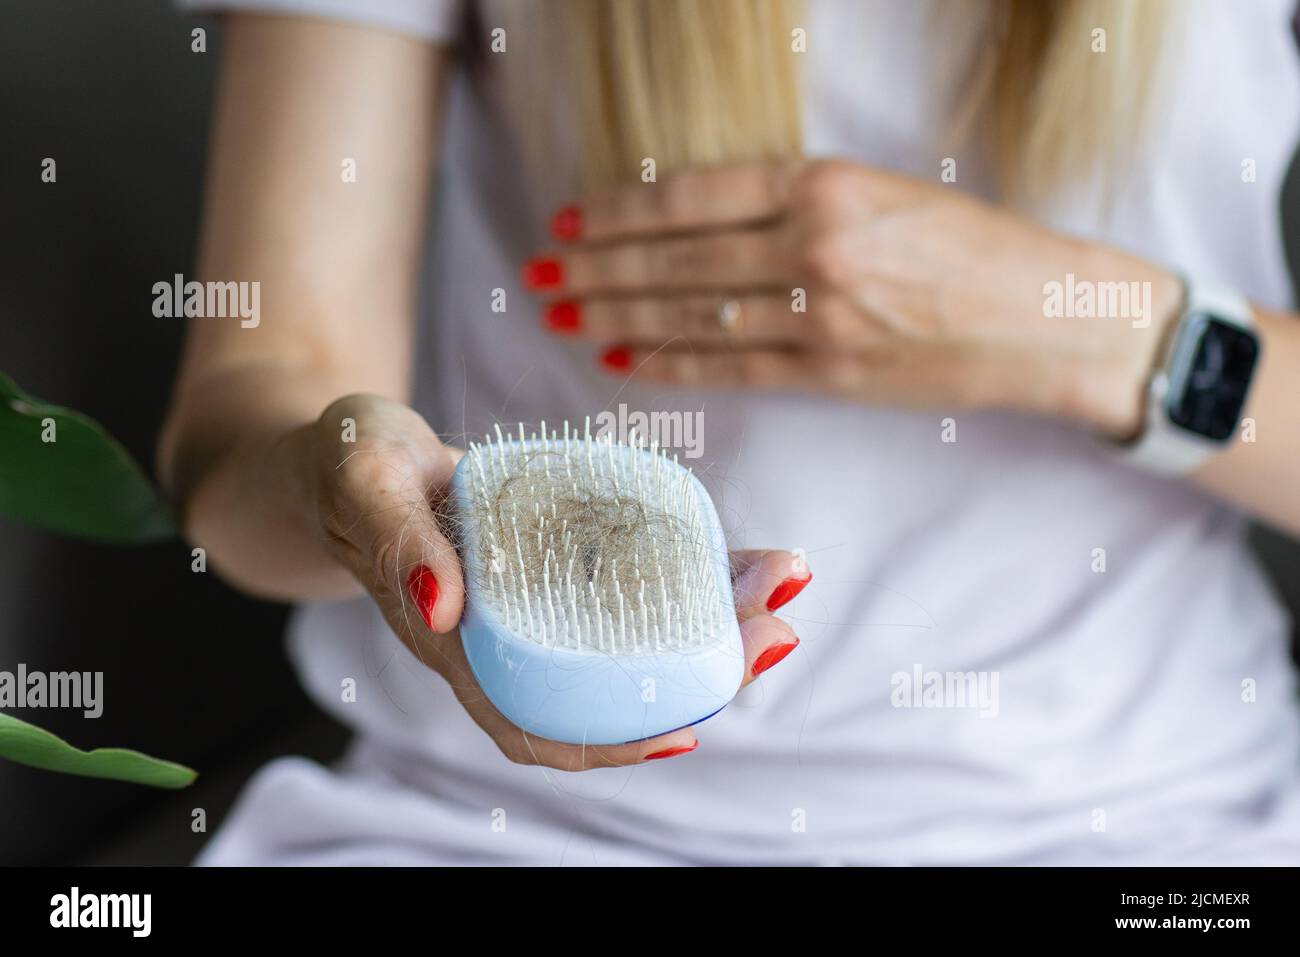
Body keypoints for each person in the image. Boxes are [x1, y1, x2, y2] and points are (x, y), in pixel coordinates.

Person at [162, 0, 1300, 865]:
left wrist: (1099, 333)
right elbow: (243, 432)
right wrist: (351, 487)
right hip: (503, 825)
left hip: (1154, 820)